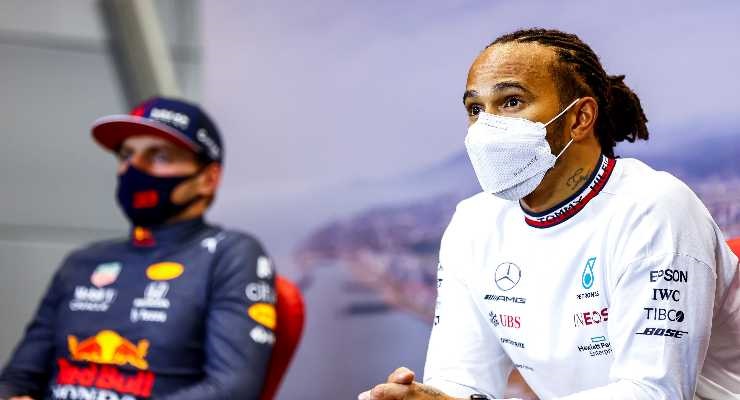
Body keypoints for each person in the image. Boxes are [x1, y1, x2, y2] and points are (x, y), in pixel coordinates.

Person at [359, 29, 740, 400]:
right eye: (475, 109)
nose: (485, 126)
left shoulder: (655, 207)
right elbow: (461, 382)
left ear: (580, 118)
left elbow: (655, 393)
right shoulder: (472, 224)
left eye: (510, 101)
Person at [0, 97, 277, 400]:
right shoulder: (82, 261)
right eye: (126, 154)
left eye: (159, 156)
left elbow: (233, 390)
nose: (134, 168)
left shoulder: (231, 254)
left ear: (208, 179)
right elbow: (17, 378)